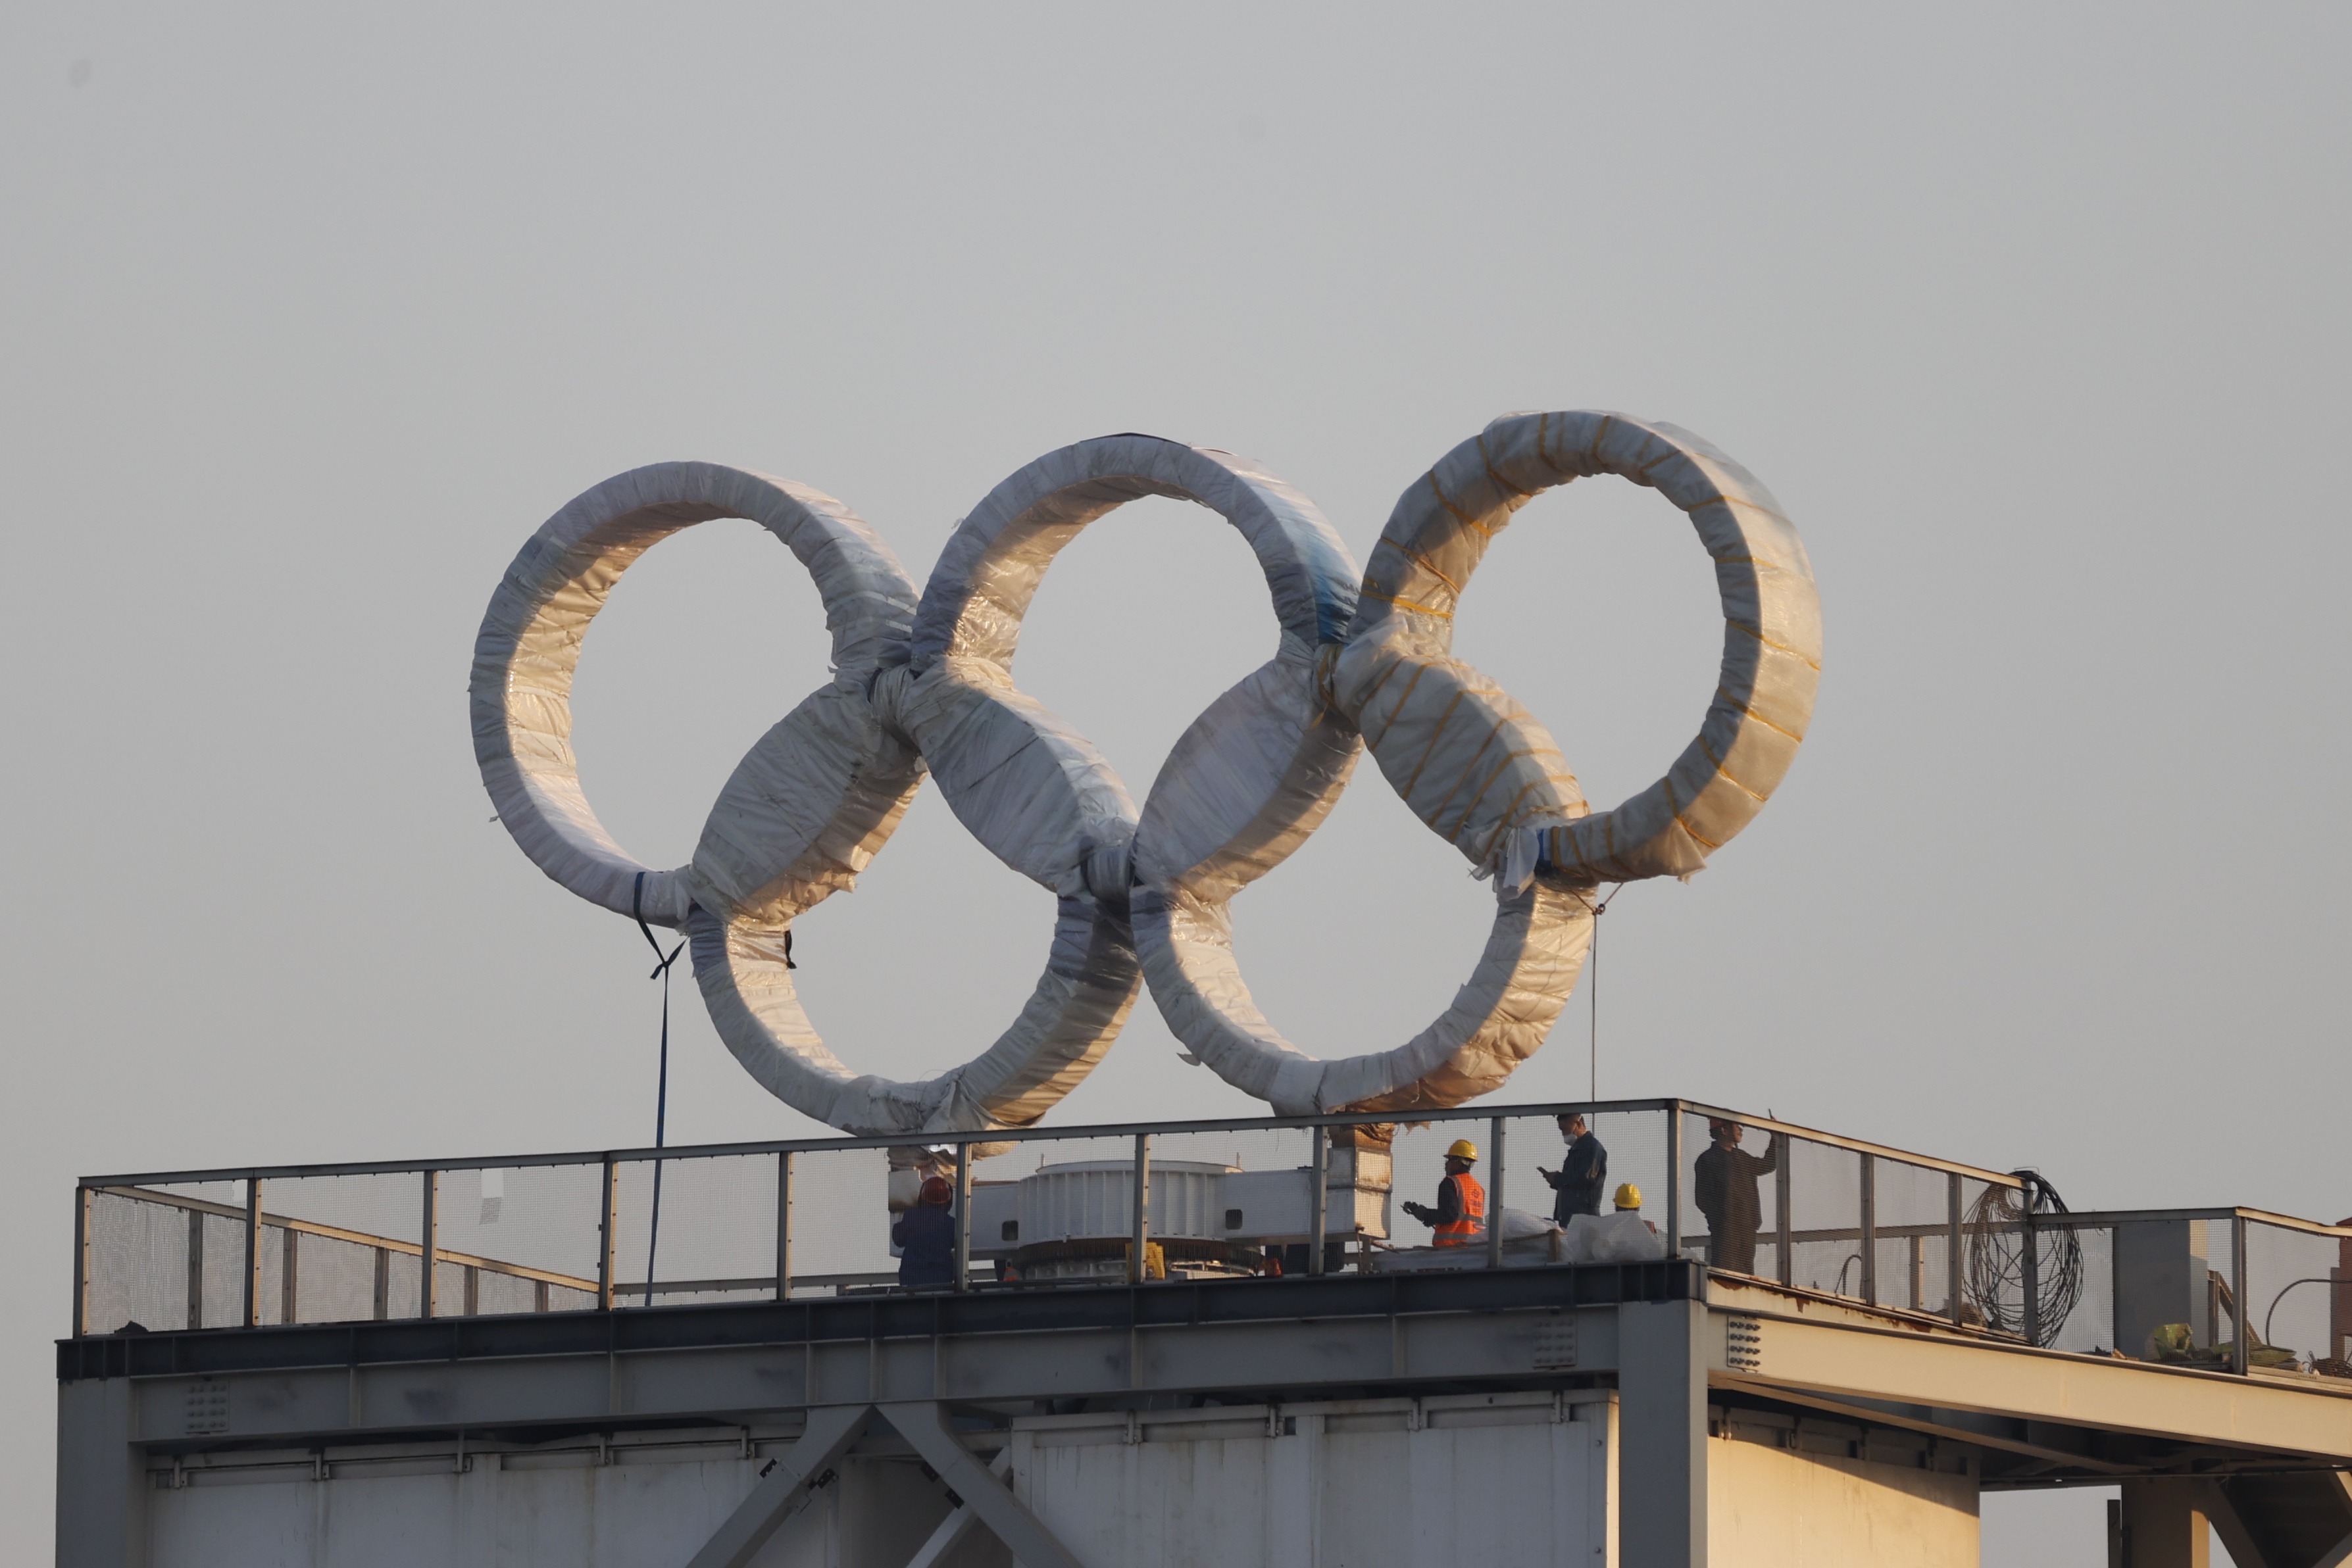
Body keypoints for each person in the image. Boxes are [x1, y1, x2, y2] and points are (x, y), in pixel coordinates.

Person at [1691, 1119, 1778, 1275]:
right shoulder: (1707, 1160)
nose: (1741, 1129)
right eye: (1736, 1125)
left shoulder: (1742, 1158)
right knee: (1725, 1272)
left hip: (1746, 1227)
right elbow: (1702, 1199)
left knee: (1746, 1272)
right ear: (1724, 1130)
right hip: (1725, 1230)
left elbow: (1768, 1164)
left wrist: (1775, 1138)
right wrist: (1721, 1218)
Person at [1403, 1139, 1486, 1248]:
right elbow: (1462, 1217)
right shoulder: (1479, 1189)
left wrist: (1424, 1214)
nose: (1447, 1165)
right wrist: (1430, 1218)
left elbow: (1449, 1215)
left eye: (1449, 1160)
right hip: (1474, 1249)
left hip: (1451, 1248)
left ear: (1457, 1161)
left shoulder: (1450, 1182)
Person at [1538, 1114, 1609, 1224]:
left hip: (1583, 1216)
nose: (1564, 1134)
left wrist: (1558, 1179)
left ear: (1579, 1124)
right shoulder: (1577, 1149)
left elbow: (1586, 1178)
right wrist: (1556, 1181)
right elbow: (1574, 1182)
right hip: (1569, 1215)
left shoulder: (1592, 1148)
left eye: (1565, 1129)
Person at [892, 1175, 955, 1289]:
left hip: (911, 1281)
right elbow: (961, 1243)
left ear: (923, 1197)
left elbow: (898, 1239)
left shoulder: (911, 1217)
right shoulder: (951, 1224)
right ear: (948, 1201)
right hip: (942, 1282)